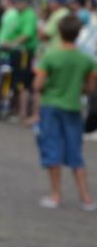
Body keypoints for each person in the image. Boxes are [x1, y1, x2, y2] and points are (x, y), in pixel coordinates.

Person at [31, 14, 96, 210]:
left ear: (59, 32)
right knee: (75, 152)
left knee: (52, 149)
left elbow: (38, 84)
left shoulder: (51, 56)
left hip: (51, 106)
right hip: (73, 107)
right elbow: (90, 88)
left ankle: (56, 194)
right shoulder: (86, 60)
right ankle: (86, 197)